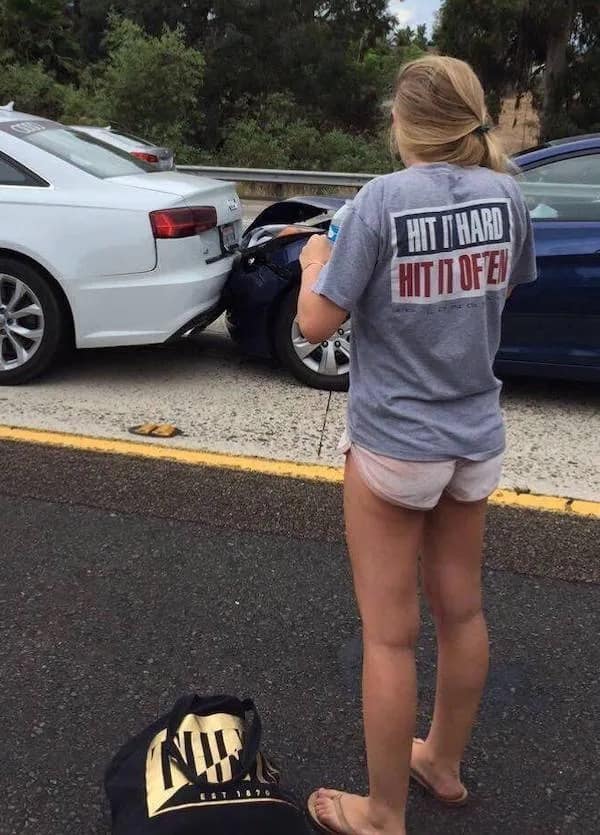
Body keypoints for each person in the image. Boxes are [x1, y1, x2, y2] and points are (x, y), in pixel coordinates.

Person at [299, 55, 537, 835]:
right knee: (462, 612)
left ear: (401, 122)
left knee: (390, 633)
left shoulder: (380, 202)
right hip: (475, 438)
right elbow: (498, 289)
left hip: (395, 443)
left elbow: (316, 325)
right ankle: (440, 761)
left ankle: (382, 812)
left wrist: (315, 262)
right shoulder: (508, 194)